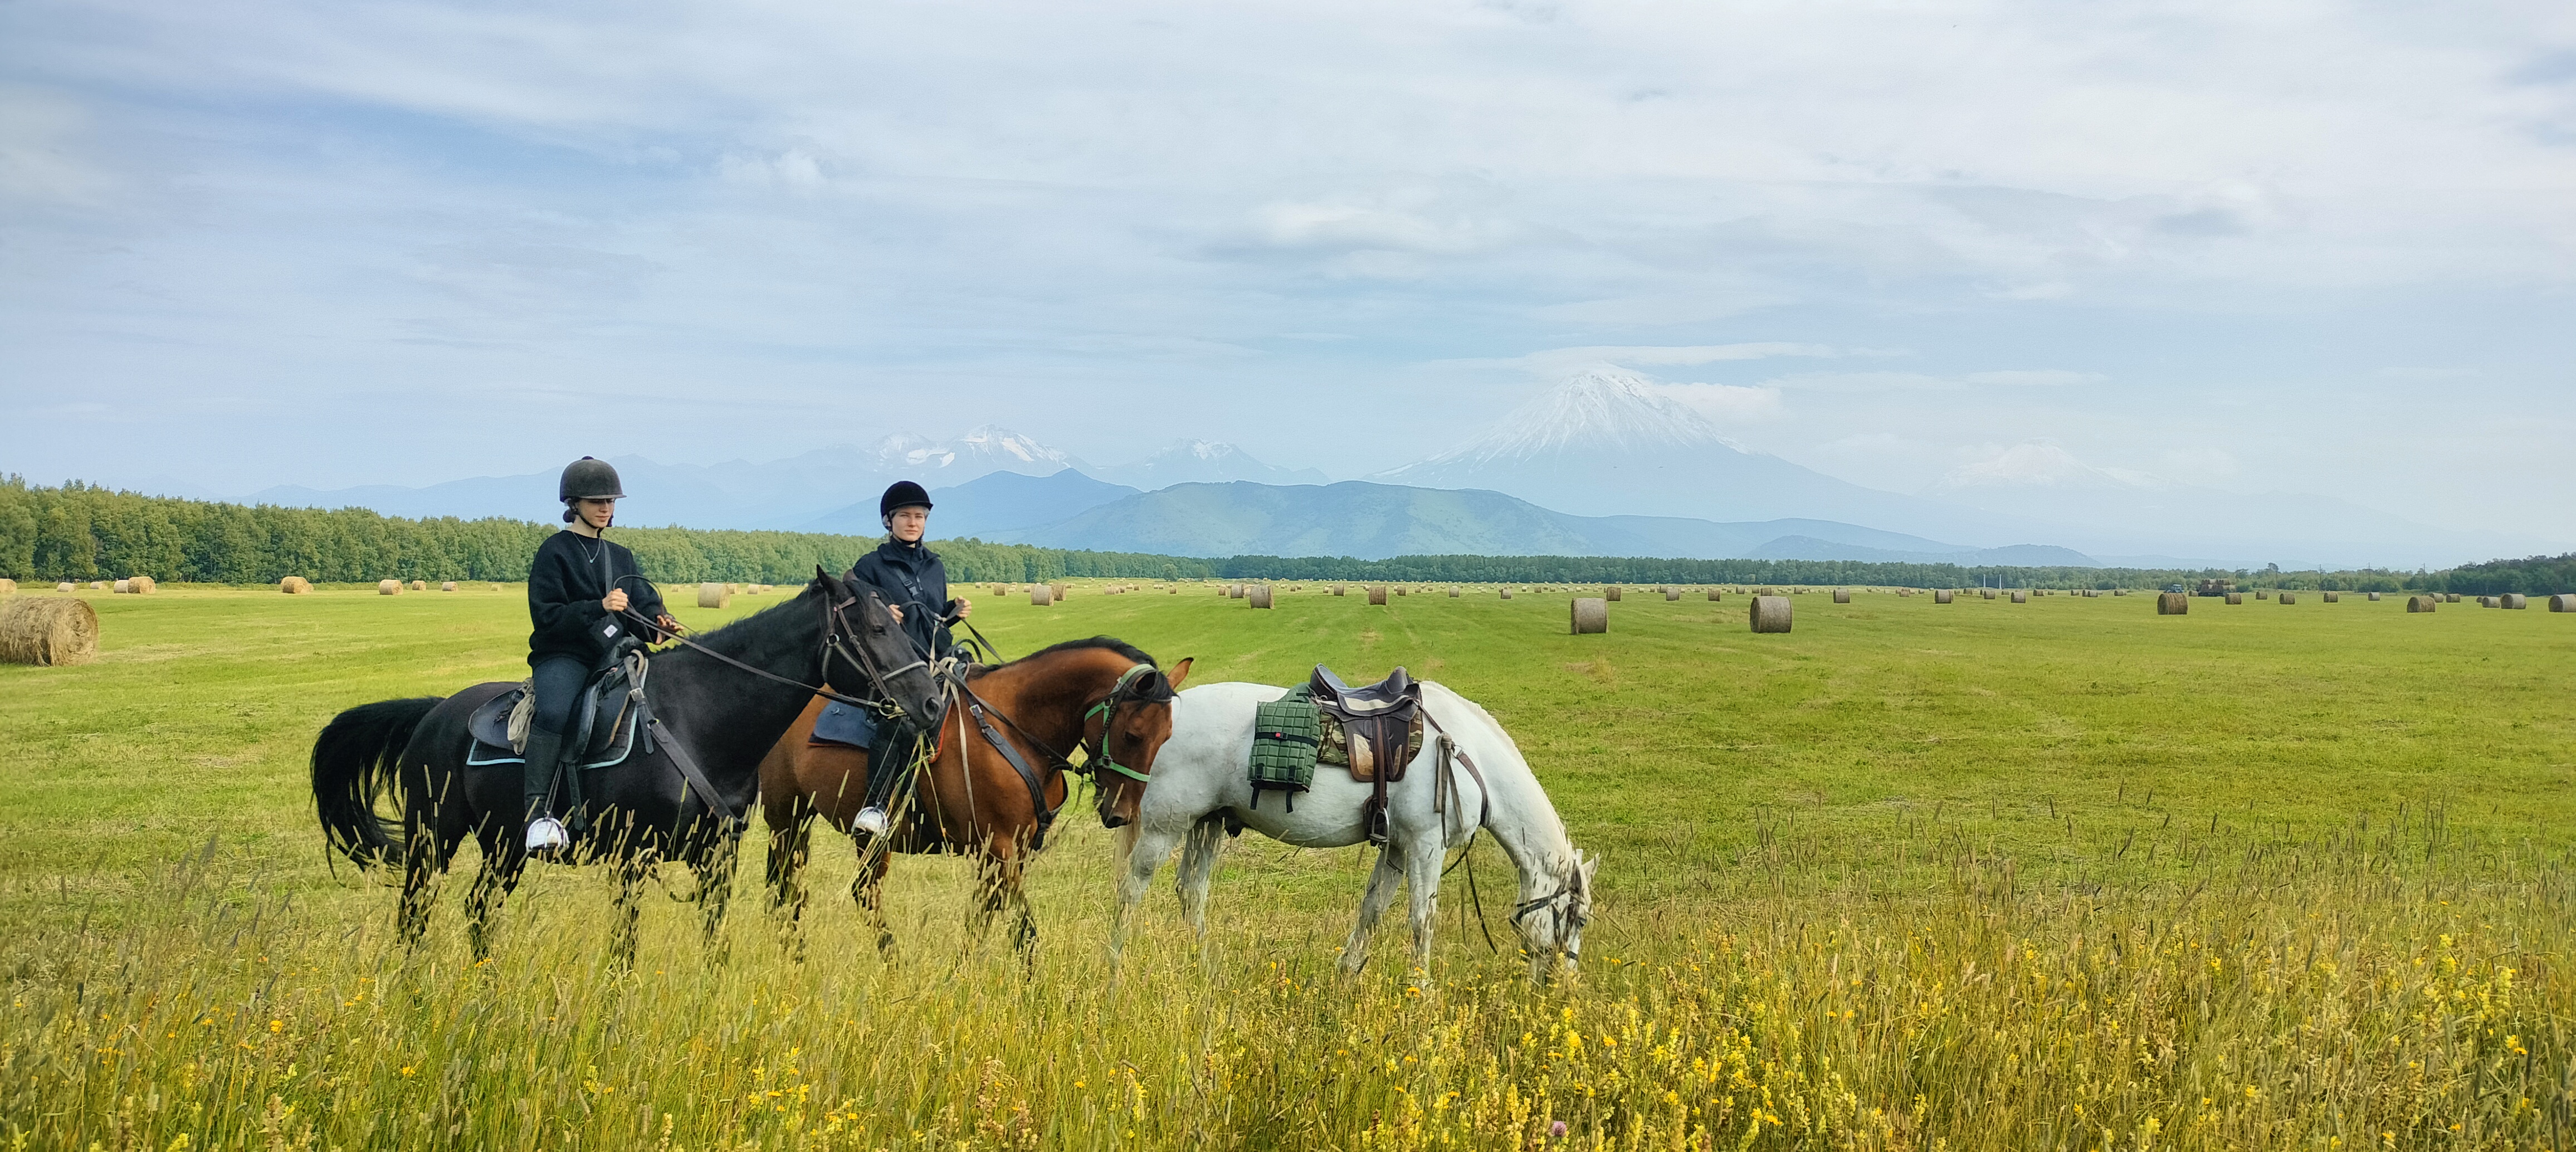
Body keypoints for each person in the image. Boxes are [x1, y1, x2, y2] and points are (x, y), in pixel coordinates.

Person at [522, 456, 679, 857]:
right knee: (554, 713)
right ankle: (538, 816)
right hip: (566, 656)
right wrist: (599, 605)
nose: (606, 508)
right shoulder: (554, 551)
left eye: (610, 501)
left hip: (618, 655)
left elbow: (641, 605)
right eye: (597, 502)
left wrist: (660, 625)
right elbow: (548, 617)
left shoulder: (621, 557)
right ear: (574, 504)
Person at [845, 479, 972, 837]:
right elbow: (859, 611)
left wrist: (951, 612)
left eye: (920, 516)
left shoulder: (935, 566)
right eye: (905, 516)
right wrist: (881, 608)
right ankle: (876, 806)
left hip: (938, 658)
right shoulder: (870, 566)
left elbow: (930, 617)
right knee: (900, 720)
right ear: (889, 521)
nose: (913, 522)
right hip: (894, 667)